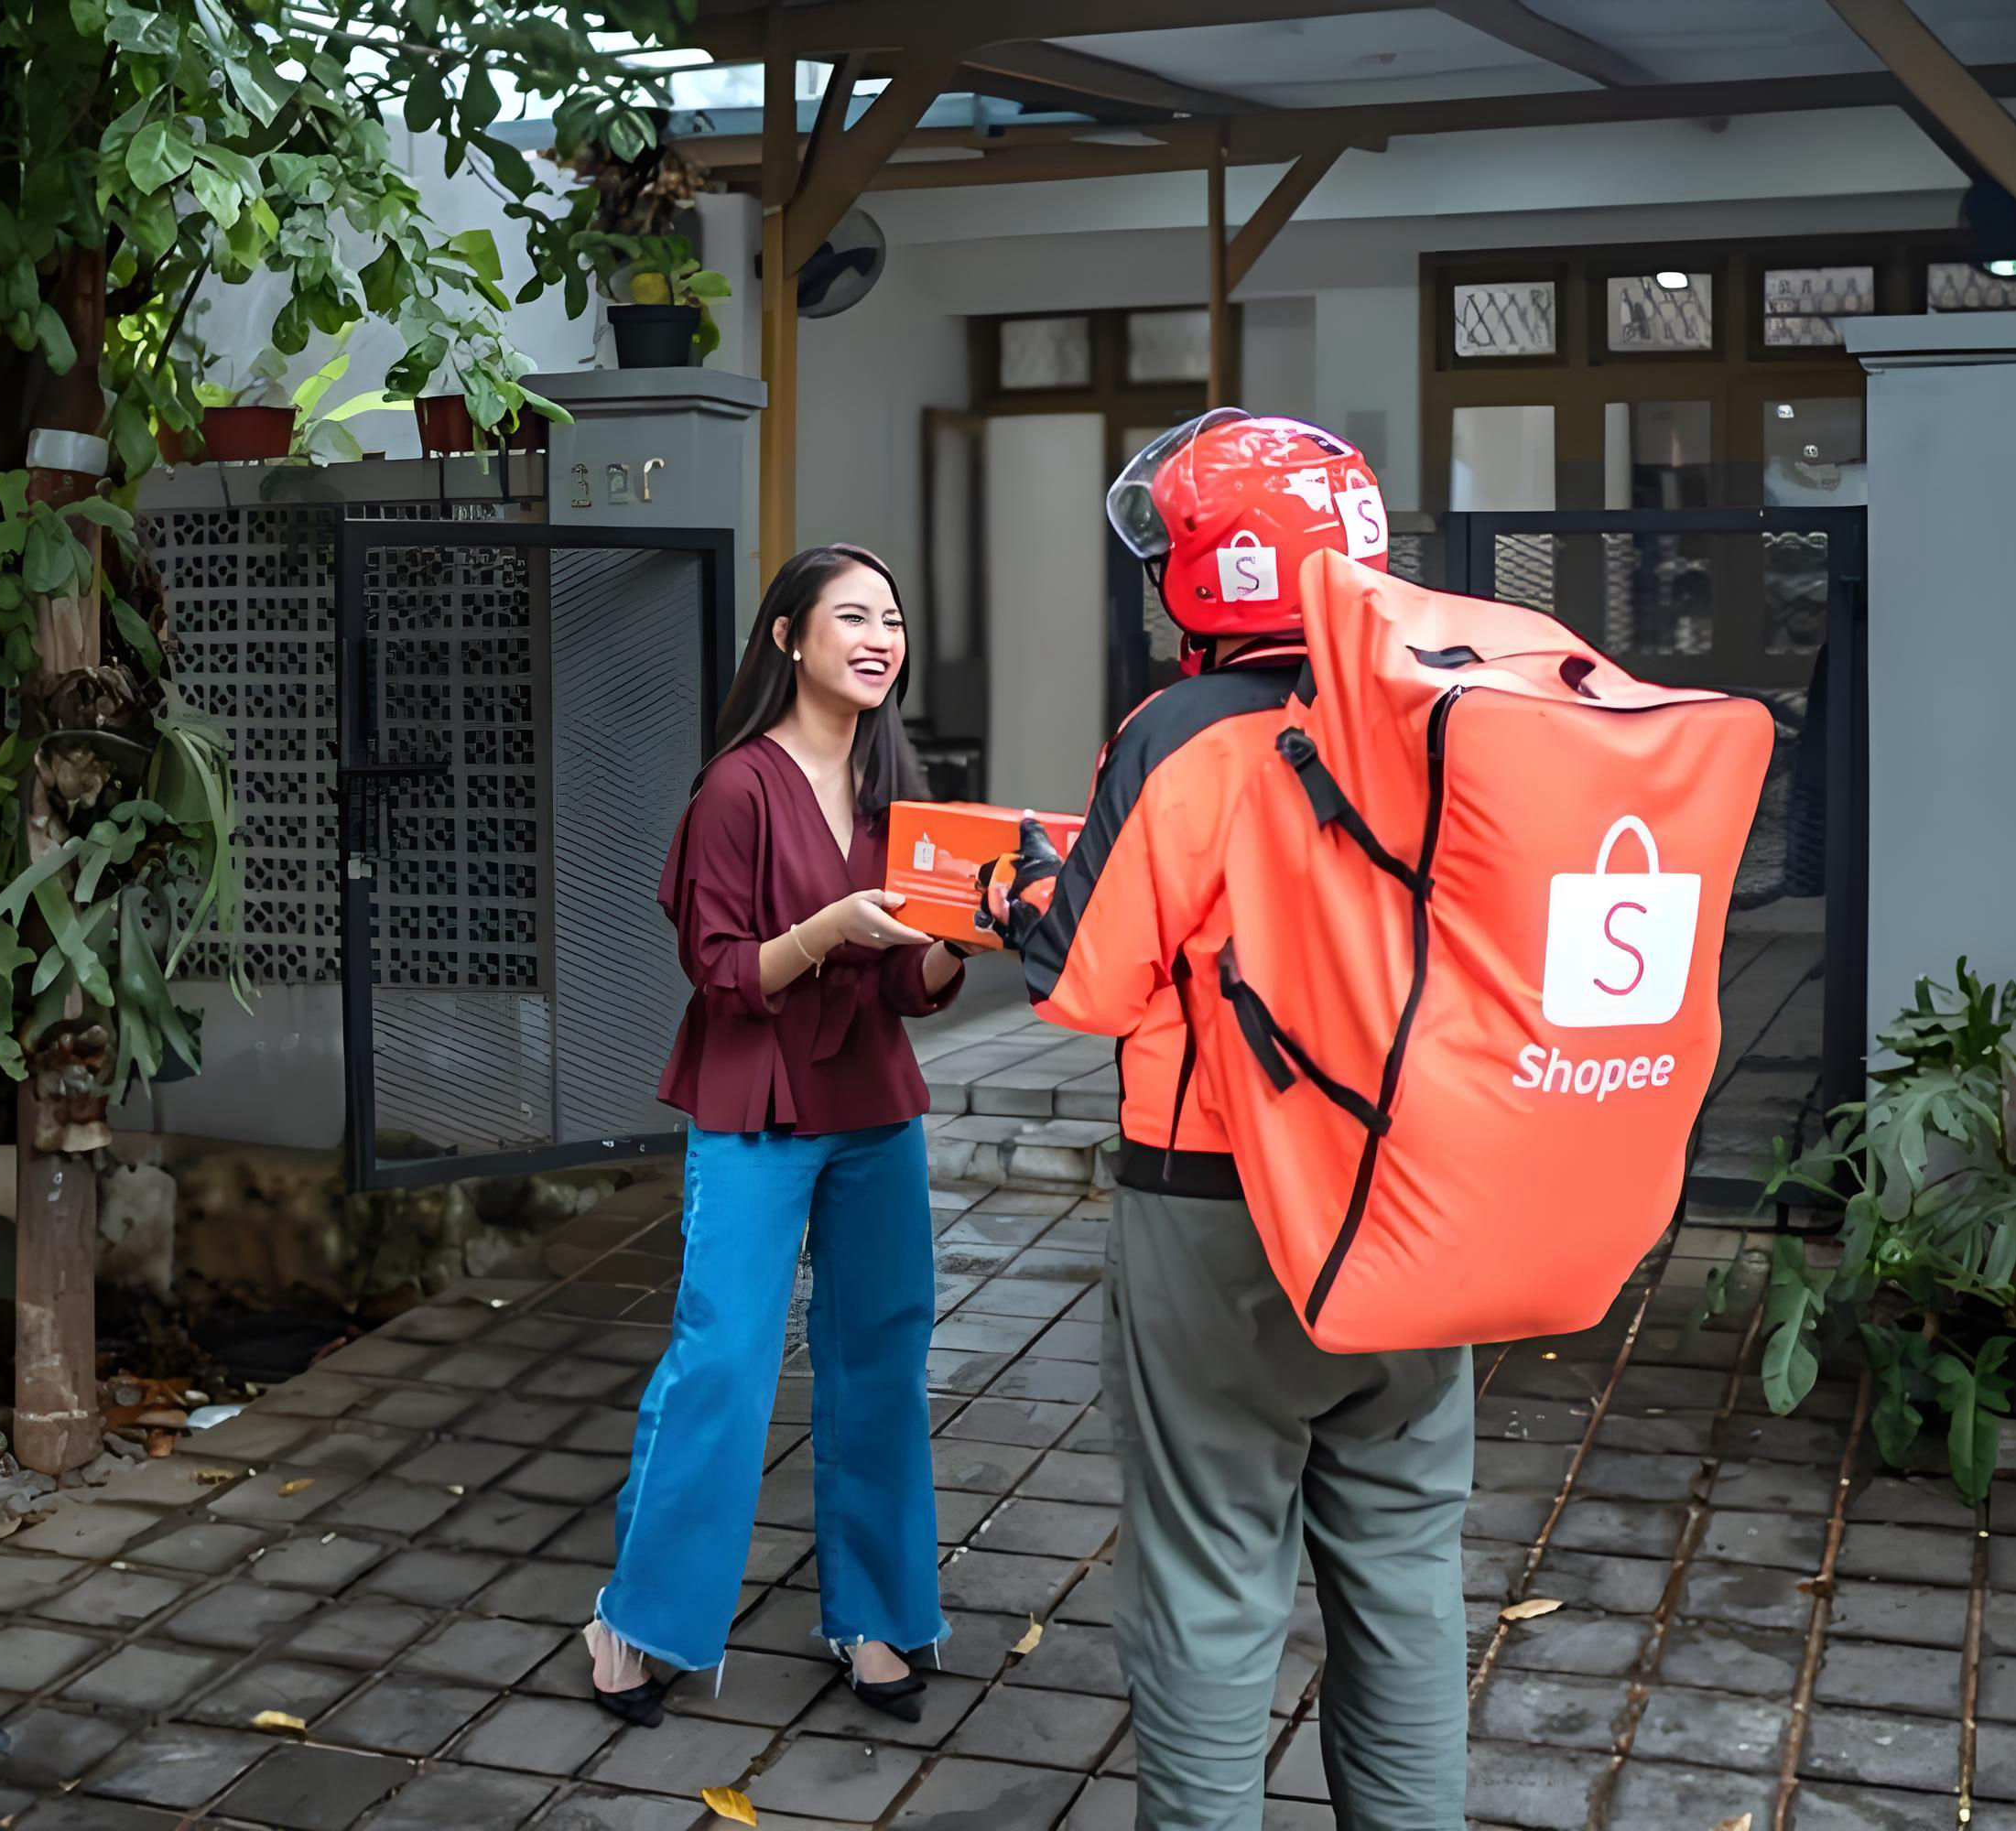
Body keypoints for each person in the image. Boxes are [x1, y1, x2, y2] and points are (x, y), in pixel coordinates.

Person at [986, 414, 1475, 1829]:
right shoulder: (1452, 708)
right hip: (1423, 1208)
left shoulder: (1179, 735)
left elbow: (1088, 985)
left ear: (1209, 578)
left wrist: (1033, 892)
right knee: (1403, 1576)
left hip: (1219, 1210)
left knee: (1209, 1580)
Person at [586, 543, 968, 1728]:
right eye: (850, 616)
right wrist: (830, 927)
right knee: (725, 1360)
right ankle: (635, 1618)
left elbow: (912, 987)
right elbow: (718, 971)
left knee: (881, 1361)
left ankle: (873, 1613)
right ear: (788, 640)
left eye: (892, 619)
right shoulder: (737, 789)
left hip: (873, 1106)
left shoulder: (901, 788)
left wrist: (966, 937)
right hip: (753, 1100)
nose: (877, 637)